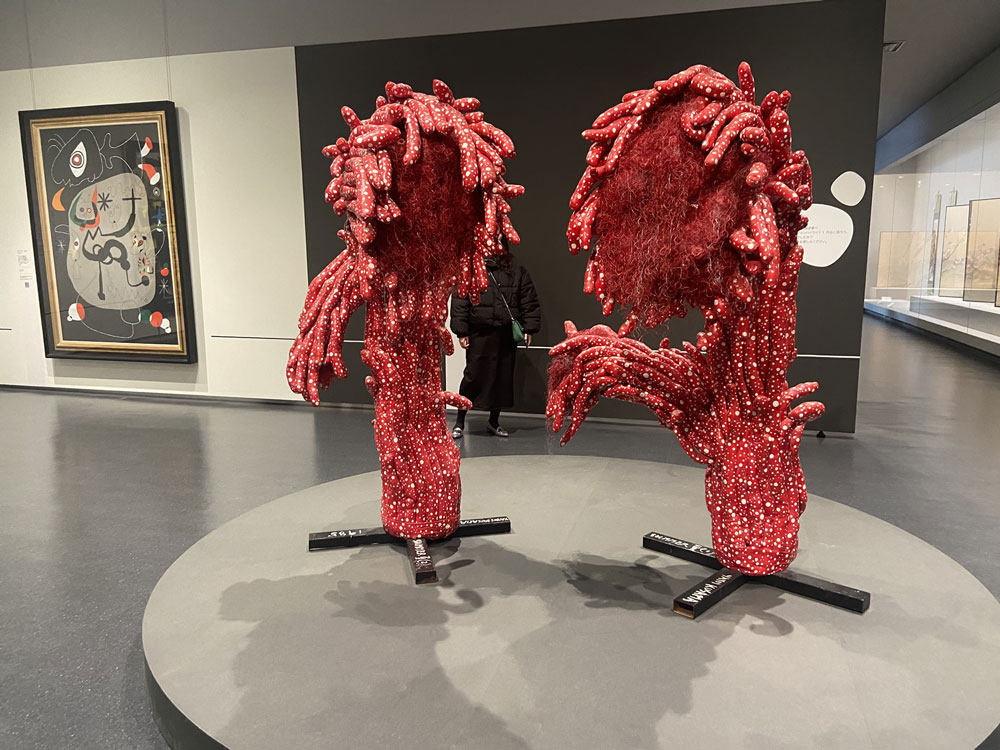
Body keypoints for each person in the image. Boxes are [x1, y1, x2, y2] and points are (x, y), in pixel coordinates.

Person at [449, 241, 541, 438]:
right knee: (472, 377)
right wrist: (461, 331)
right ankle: (459, 422)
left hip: (505, 333)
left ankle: (494, 422)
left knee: (502, 378)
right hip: (479, 332)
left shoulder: (516, 271)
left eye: (498, 240)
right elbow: (460, 300)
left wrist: (529, 328)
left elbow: (528, 300)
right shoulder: (471, 271)